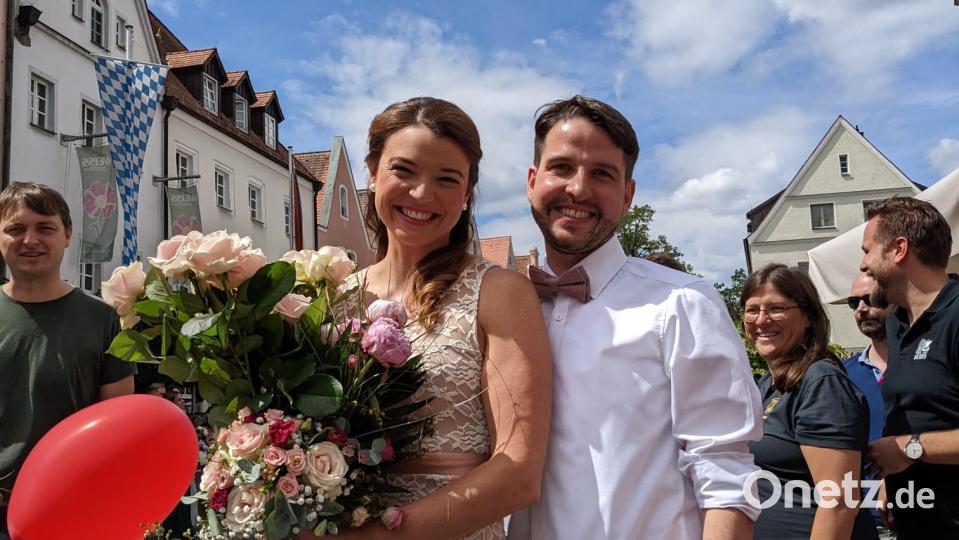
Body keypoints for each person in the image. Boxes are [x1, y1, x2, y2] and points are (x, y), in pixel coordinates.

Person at [507, 95, 762, 540]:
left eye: (601, 173)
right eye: (561, 168)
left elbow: (724, 471)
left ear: (627, 196)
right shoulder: (505, 309)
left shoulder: (682, 303)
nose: (578, 189)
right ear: (532, 181)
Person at [303, 97, 552, 540]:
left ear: (467, 193)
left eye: (446, 179)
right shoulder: (334, 297)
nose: (421, 194)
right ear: (372, 172)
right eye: (404, 170)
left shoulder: (500, 292)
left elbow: (518, 473)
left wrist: (376, 537)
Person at [0, 182, 135, 536]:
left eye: (45, 228)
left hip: (71, 509)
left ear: (68, 235)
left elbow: (117, 427)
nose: (30, 240)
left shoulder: (103, 319)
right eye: (16, 228)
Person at [742, 263, 877, 540]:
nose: (761, 320)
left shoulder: (821, 382)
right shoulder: (769, 384)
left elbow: (839, 501)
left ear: (808, 317)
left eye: (777, 308)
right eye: (752, 309)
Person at [860, 196, 959, 539]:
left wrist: (909, 449)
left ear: (899, 249)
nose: (864, 265)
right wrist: (891, 479)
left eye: (868, 251)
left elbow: (908, 444)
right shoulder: (896, 324)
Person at [844, 272, 895, 540]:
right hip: (863, 521)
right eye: (854, 303)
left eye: (870, 299)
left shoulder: (928, 367)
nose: (861, 309)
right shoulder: (842, 376)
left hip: (933, 513)